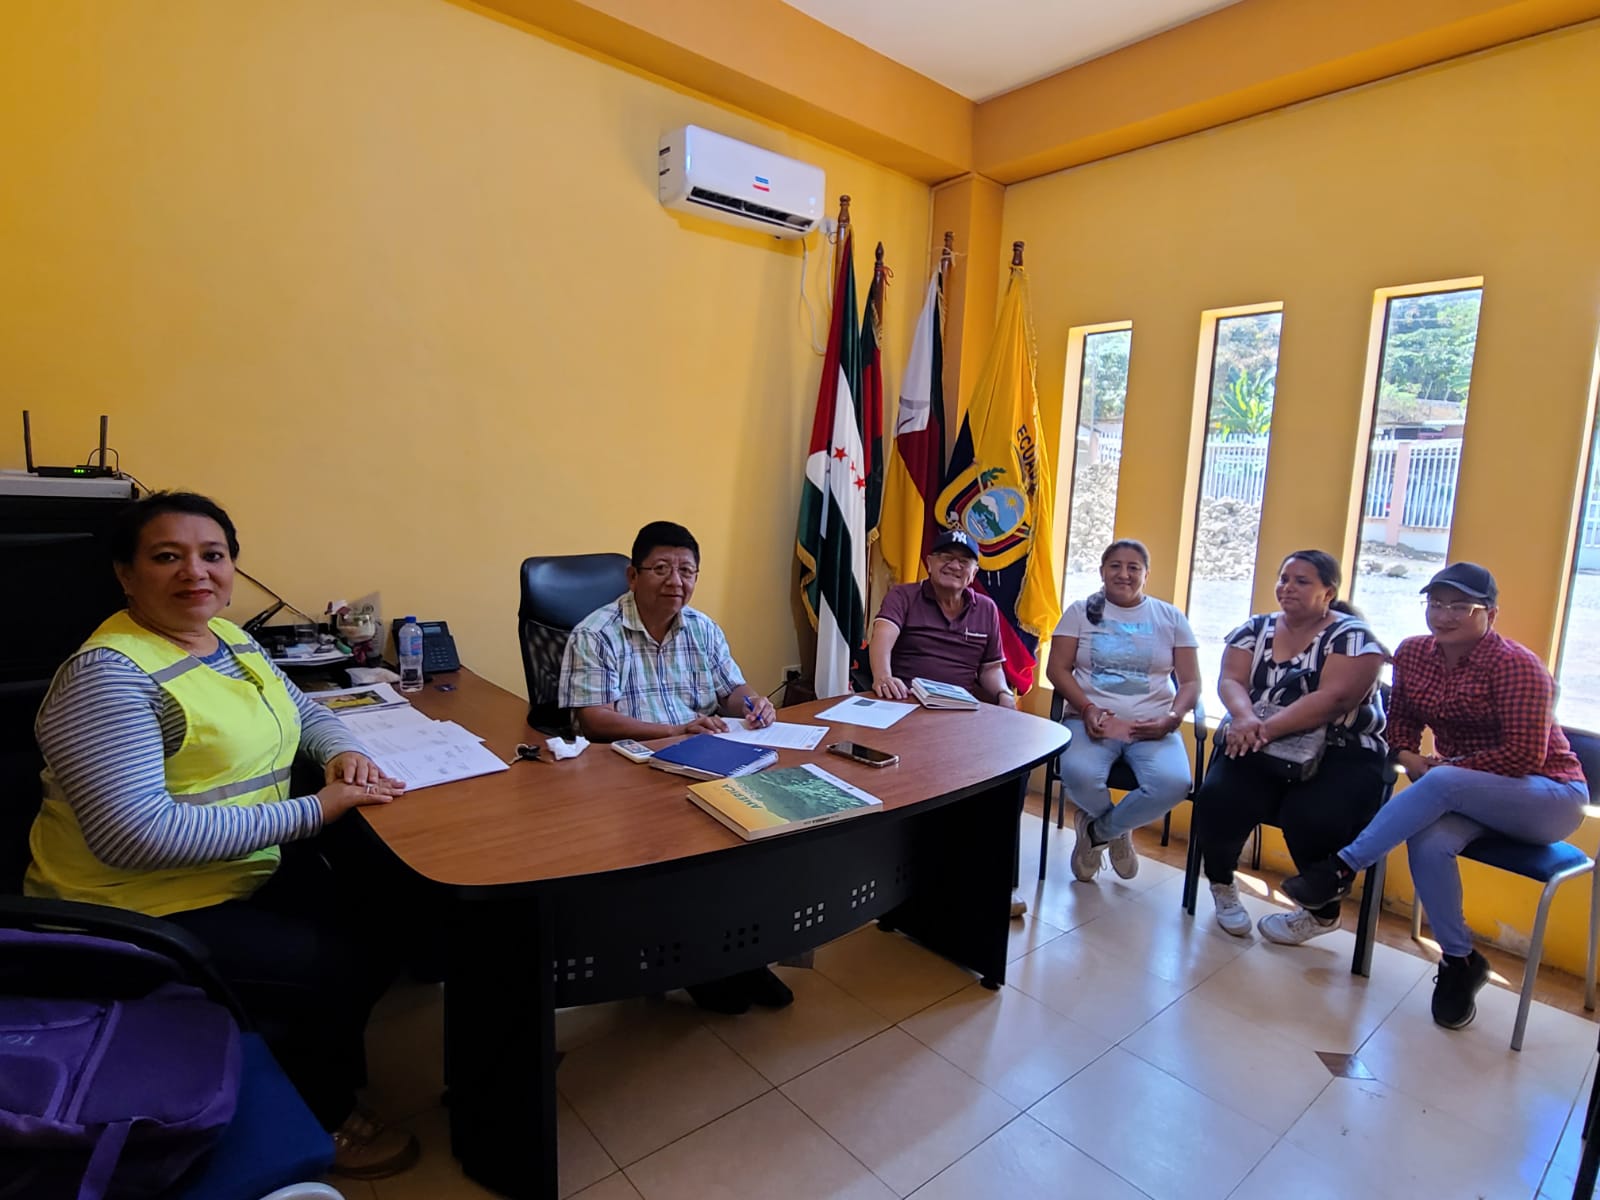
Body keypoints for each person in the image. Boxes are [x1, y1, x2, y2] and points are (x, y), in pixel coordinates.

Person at [26, 491, 419, 1180]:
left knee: (388, 915)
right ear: (125, 575)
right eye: (166, 557)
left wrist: (342, 752)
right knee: (338, 965)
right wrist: (316, 810)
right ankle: (325, 1114)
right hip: (135, 908)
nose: (195, 572)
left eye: (213, 555)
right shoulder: (108, 676)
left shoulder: (229, 640)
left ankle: (312, 1062)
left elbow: (301, 709)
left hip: (236, 868)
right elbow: (135, 836)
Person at [1283, 563, 1589, 1030]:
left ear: (1490, 614)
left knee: (1443, 783)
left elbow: (1525, 755)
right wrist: (1409, 754)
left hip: (1548, 797)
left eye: (1459, 607)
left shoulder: (1518, 666)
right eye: (1436, 604)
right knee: (1428, 842)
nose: (1443, 616)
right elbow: (1401, 723)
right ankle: (1459, 960)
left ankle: (1341, 868)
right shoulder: (1413, 653)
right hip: (1470, 794)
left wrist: (1444, 769)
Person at [559, 520, 785, 1013]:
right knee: (688, 856)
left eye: (686, 570)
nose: (675, 581)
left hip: (703, 759)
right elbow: (594, 719)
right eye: (661, 568)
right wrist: (674, 731)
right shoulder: (596, 634)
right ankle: (696, 965)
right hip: (630, 773)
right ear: (632, 575)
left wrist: (754, 703)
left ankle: (745, 956)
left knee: (758, 837)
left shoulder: (702, 628)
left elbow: (732, 689)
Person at [1194, 550, 1388, 944]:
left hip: (1339, 751)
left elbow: (1333, 700)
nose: (1288, 588)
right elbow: (1231, 679)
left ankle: (1322, 912)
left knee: (1311, 817)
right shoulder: (1255, 628)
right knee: (1218, 798)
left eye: (1302, 581)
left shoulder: (1354, 638)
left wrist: (1263, 728)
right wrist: (1244, 717)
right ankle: (1222, 885)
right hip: (1257, 740)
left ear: (1328, 592)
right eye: (1284, 578)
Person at [868, 528, 1029, 917]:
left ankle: (995, 882)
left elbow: (990, 670)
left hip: (962, 716)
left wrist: (1004, 695)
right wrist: (883, 676)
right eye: (945, 557)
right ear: (929, 563)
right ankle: (902, 881)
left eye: (964, 560)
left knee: (1011, 775)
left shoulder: (985, 609)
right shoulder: (904, 596)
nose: (954, 566)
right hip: (907, 710)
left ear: (974, 572)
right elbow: (883, 635)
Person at [1045, 539, 1201, 883]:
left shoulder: (1171, 617)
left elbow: (1191, 683)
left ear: (1146, 574)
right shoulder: (1079, 612)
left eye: (1134, 567)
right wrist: (1086, 707)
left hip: (1153, 727)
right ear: (1102, 571)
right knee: (1079, 774)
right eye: (1115, 566)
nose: (1124, 574)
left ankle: (1098, 832)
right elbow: (1057, 669)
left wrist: (1172, 718)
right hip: (1090, 723)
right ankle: (1118, 831)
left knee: (1175, 783)